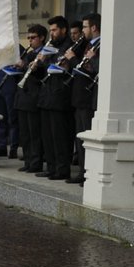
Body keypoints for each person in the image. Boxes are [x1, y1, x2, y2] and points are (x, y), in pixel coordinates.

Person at [37, 15, 74, 181]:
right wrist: (39, 62)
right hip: (46, 97)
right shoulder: (49, 46)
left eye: (54, 30)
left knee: (60, 137)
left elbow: (68, 70)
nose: (52, 33)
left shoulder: (69, 47)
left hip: (60, 97)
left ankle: (62, 169)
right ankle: (51, 168)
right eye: (50, 30)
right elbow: (41, 74)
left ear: (63, 30)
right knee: (47, 136)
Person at [67, 13, 101, 183]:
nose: (83, 31)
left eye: (85, 27)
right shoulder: (87, 44)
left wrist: (74, 60)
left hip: (88, 97)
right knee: (80, 138)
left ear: (94, 28)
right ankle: (82, 172)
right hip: (79, 97)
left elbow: (95, 70)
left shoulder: (100, 45)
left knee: (86, 138)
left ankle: (87, 173)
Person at [14, 24, 48, 173]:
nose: (30, 41)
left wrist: (32, 66)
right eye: (28, 38)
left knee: (35, 134)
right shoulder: (29, 54)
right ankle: (28, 161)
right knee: (25, 134)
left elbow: (42, 74)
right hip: (23, 97)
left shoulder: (44, 54)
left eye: (33, 38)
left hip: (34, 97)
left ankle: (35, 163)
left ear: (41, 38)